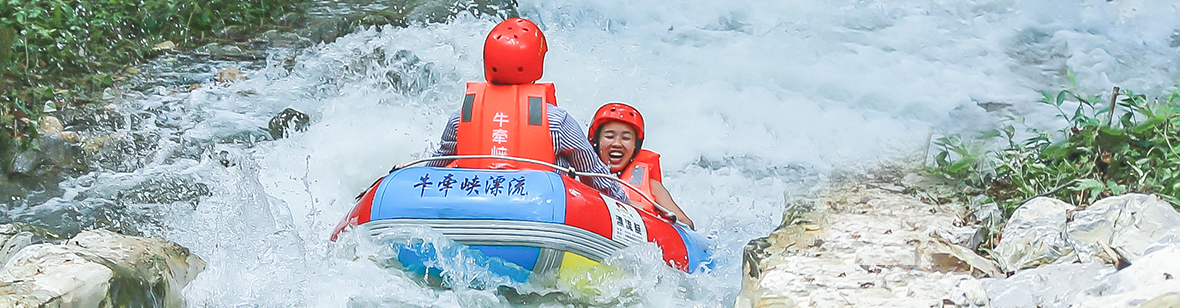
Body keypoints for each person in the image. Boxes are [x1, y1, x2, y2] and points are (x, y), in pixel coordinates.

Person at [425, 18, 627, 202]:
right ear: (536, 65)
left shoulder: (461, 117)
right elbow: (592, 173)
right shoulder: (557, 121)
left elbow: (436, 165)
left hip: (474, 201)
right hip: (539, 207)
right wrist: (625, 203)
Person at [588, 102, 695, 229]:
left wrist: (648, 220)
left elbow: (686, 224)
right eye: (609, 136)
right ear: (597, 142)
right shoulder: (580, 172)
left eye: (626, 138)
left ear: (635, 146)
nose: (617, 143)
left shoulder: (652, 187)